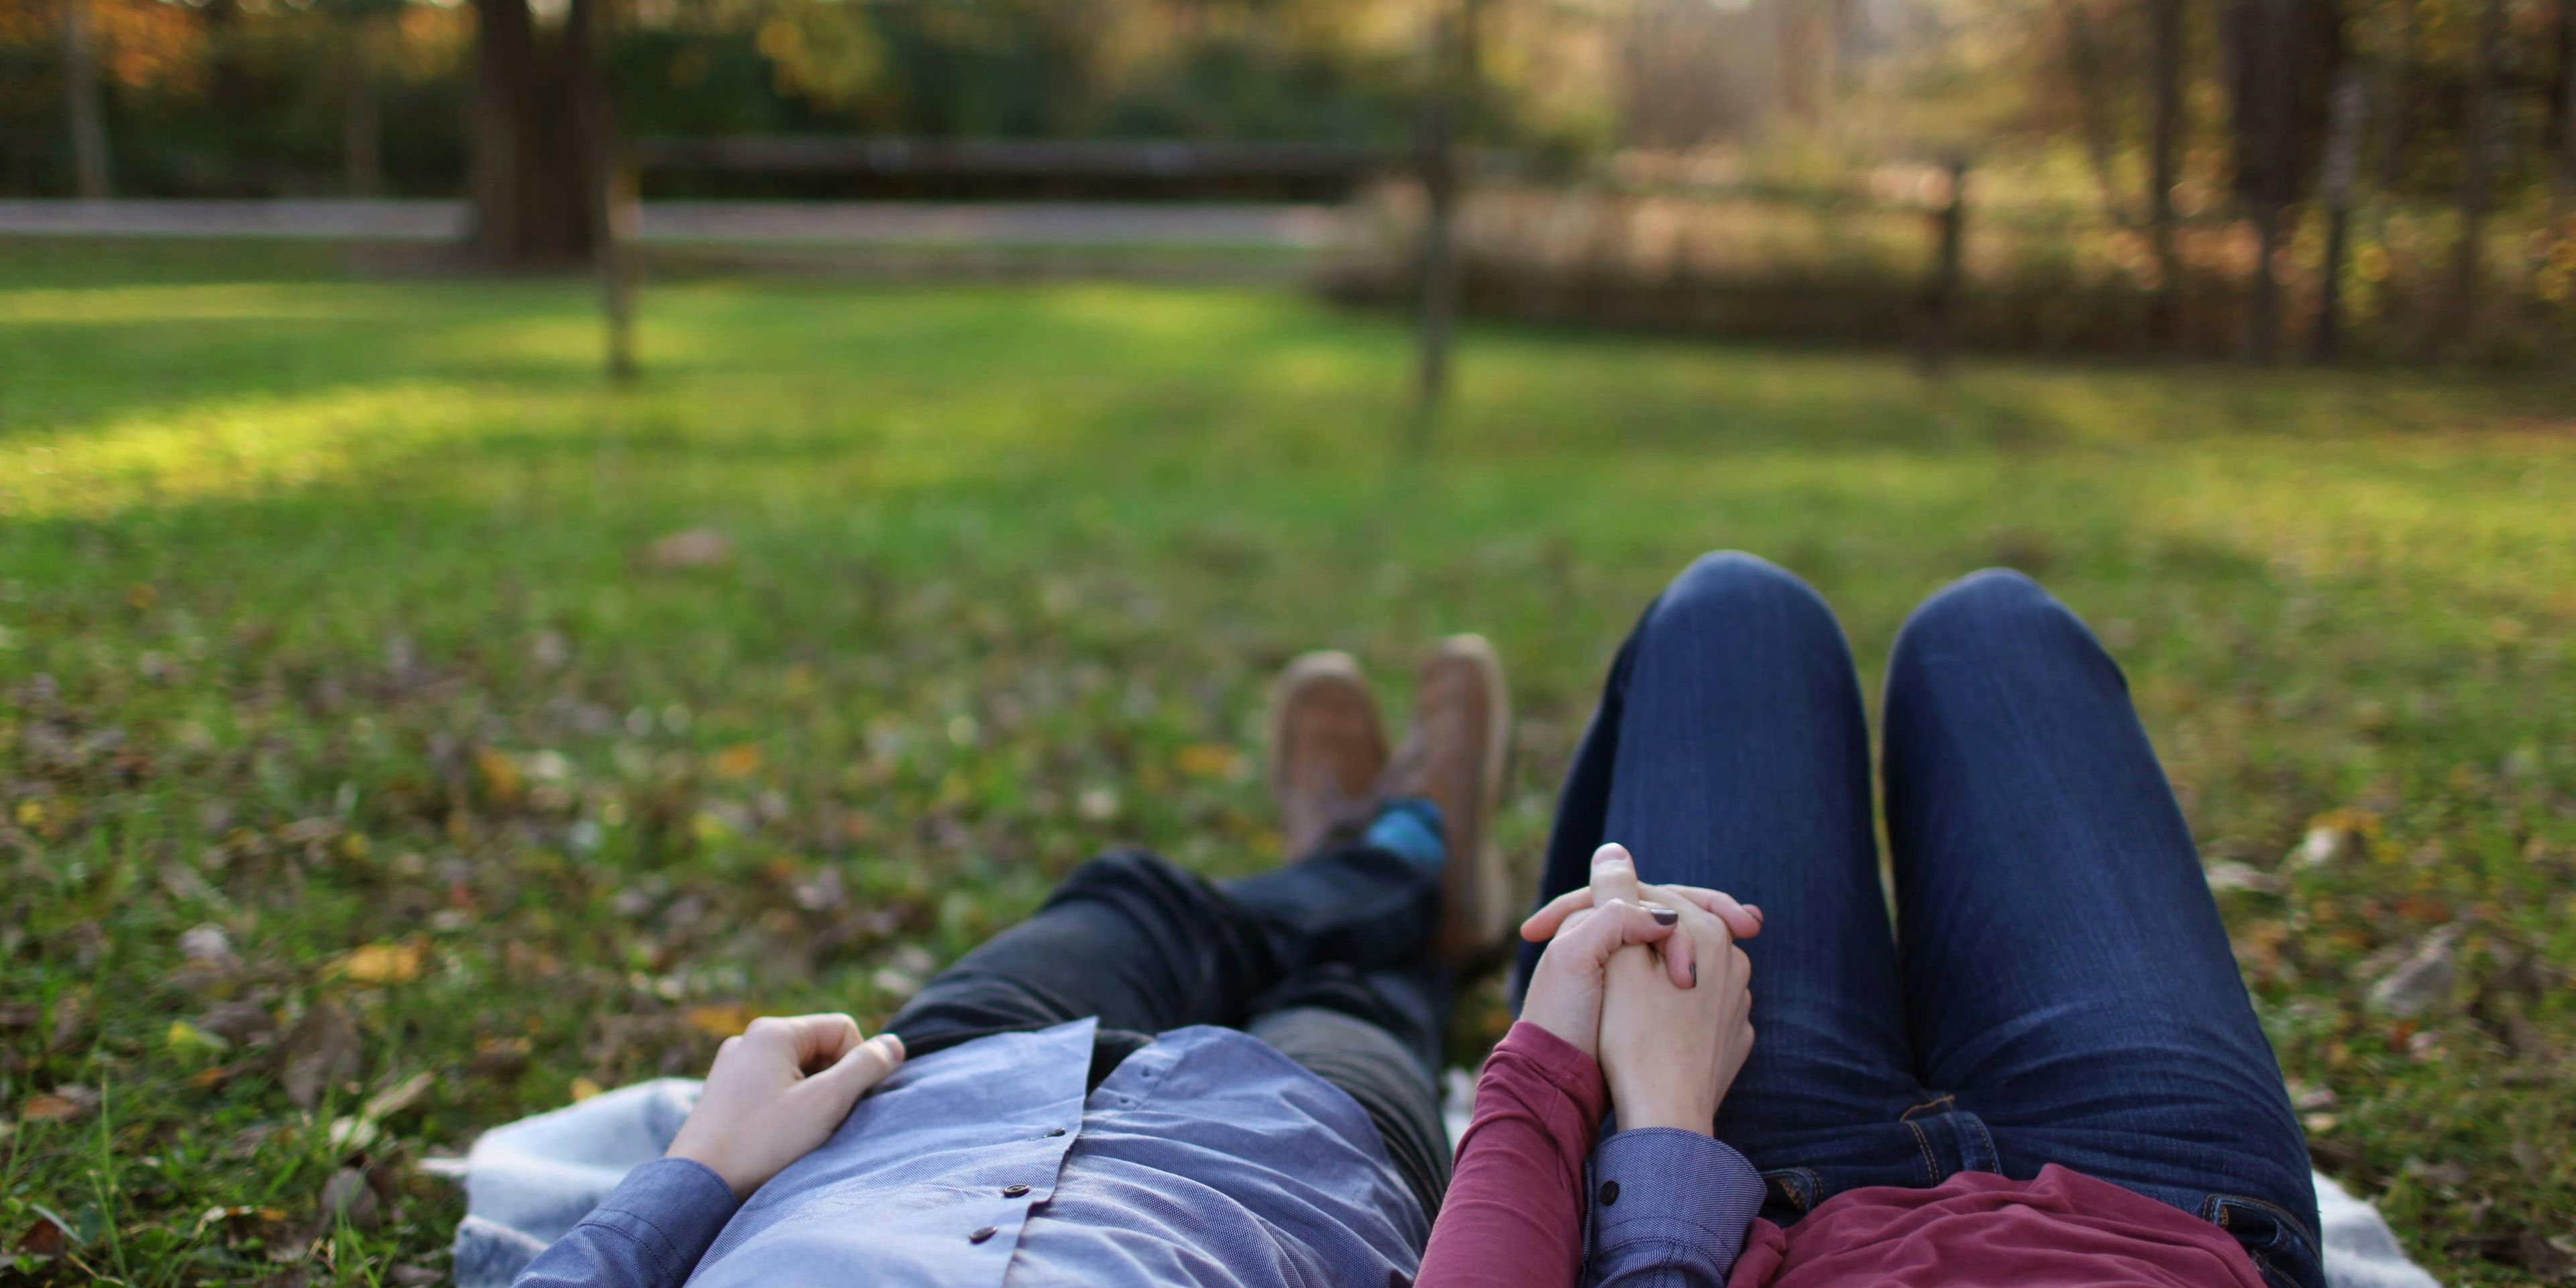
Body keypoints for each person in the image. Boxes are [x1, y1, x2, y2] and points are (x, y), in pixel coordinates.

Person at [511, 637, 1704, 1288]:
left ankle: (1389, 859)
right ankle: (1410, 862)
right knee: (1351, 996)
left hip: (913, 1119)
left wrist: (706, 1168)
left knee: (1137, 897)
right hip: (1291, 1185)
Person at [1418, 553, 2324, 1288]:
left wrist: (1563, 1057)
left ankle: (1452, 889)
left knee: (1730, 613)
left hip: (1746, 1208)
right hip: (2168, 1214)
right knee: (1995, 628)